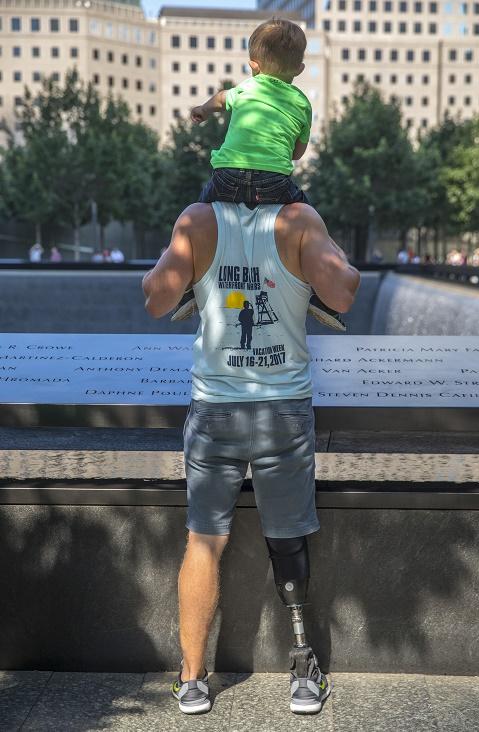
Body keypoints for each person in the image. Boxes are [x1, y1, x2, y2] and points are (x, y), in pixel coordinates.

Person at [142, 200, 360, 715]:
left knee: (203, 539)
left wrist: (187, 262)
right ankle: (303, 668)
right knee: (287, 537)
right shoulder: (300, 222)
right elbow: (344, 292)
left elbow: (155, 299)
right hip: (282, 410)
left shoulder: (197, 221)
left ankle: (192, 678)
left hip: (215, 408)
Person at [171, 17, 346, 333]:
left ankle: (189, 285)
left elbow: (222, 97)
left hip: (227, 179)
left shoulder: (245, 88)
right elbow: (297, 153)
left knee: (198, 213)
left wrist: (203, 109)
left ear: (253, 65)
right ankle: (323, 297)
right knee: (312, 221)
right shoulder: (302, 104)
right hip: (273, 184)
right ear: (300, 70)